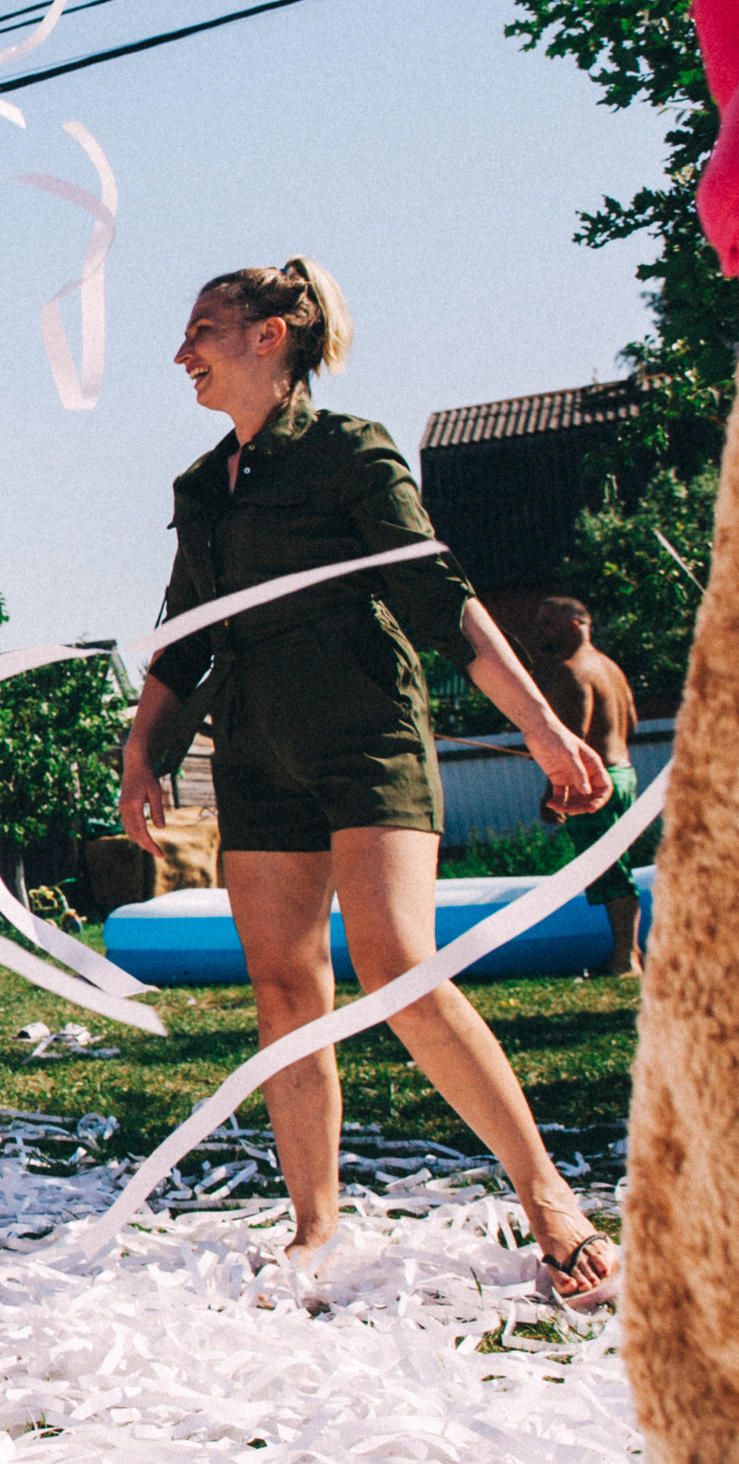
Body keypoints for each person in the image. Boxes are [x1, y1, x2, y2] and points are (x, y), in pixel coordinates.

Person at [119, 258, 622, 1303]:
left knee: (399, 967)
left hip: (365, 734)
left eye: (202, 329)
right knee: (284, 988)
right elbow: (184, 638)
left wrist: (540, 731)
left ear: (270, 336)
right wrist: (141, 753)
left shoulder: (352, 452)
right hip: (256, 747)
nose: (182, 353)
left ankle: (549, 1204)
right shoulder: (201, 486)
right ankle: (313, 1228)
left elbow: (441, 597)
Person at [531, 596, 647, 976]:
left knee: (611, 870)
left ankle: (625, 958)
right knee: (617, 865)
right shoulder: (610, 668)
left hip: (594, 785)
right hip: (623, 773)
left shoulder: (570, 672)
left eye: (549, 623)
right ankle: (627, 954)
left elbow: (569, 746)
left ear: (577, 625)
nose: (541, 631)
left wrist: (553, 796)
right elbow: (630, 722)